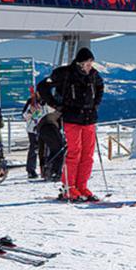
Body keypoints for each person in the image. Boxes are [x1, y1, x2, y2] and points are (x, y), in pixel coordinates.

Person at [36, 47, 105, 201]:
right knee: (75, 152)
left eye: (91, 63)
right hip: (72, 119)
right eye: (87, 63)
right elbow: (43, 86)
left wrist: (95, 104)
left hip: (89, 119)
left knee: (88, 154)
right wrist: (56, 104)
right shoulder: (65, 73)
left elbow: (100, 86)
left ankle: (82, 186)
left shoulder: (93, 74)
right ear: (80, 63)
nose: (90, 66)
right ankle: (69, 187)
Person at [36, 107, 65, 181]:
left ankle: (48, 170)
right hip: (50, 127)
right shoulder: (62, 115)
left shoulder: (54, 114)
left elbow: (41, 148)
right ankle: (55, 172)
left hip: (42, 129)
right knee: (60, 151)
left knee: (54, 150)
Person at [23, 92, 46, 179]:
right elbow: (25, 116)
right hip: (33, 128)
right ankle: (31, 170)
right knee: (34, 148)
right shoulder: (31, 102)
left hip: (44, 127)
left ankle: (44, 168)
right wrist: (30, 112)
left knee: (44, 149)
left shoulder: (46, 101)